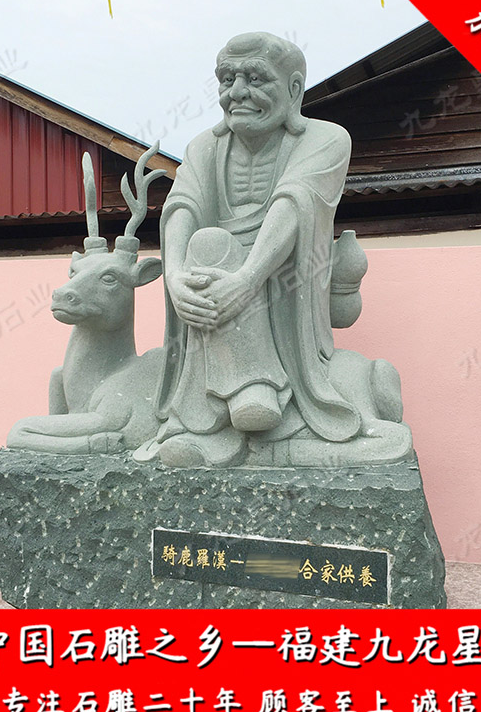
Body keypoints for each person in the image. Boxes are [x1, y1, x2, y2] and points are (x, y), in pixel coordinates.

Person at [149, 31, 362, 467]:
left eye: (255, 78)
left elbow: (295, 201)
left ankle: (243, 398)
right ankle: (240, 395)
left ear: (294, 89)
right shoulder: (204, 147)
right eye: (227, 80)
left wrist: (247, 279)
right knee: (207, 242)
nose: (237, 92)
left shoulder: (327, 139)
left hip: (284, 281)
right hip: (213, 281)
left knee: (219, 247)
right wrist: (174, 277)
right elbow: (182, 206)